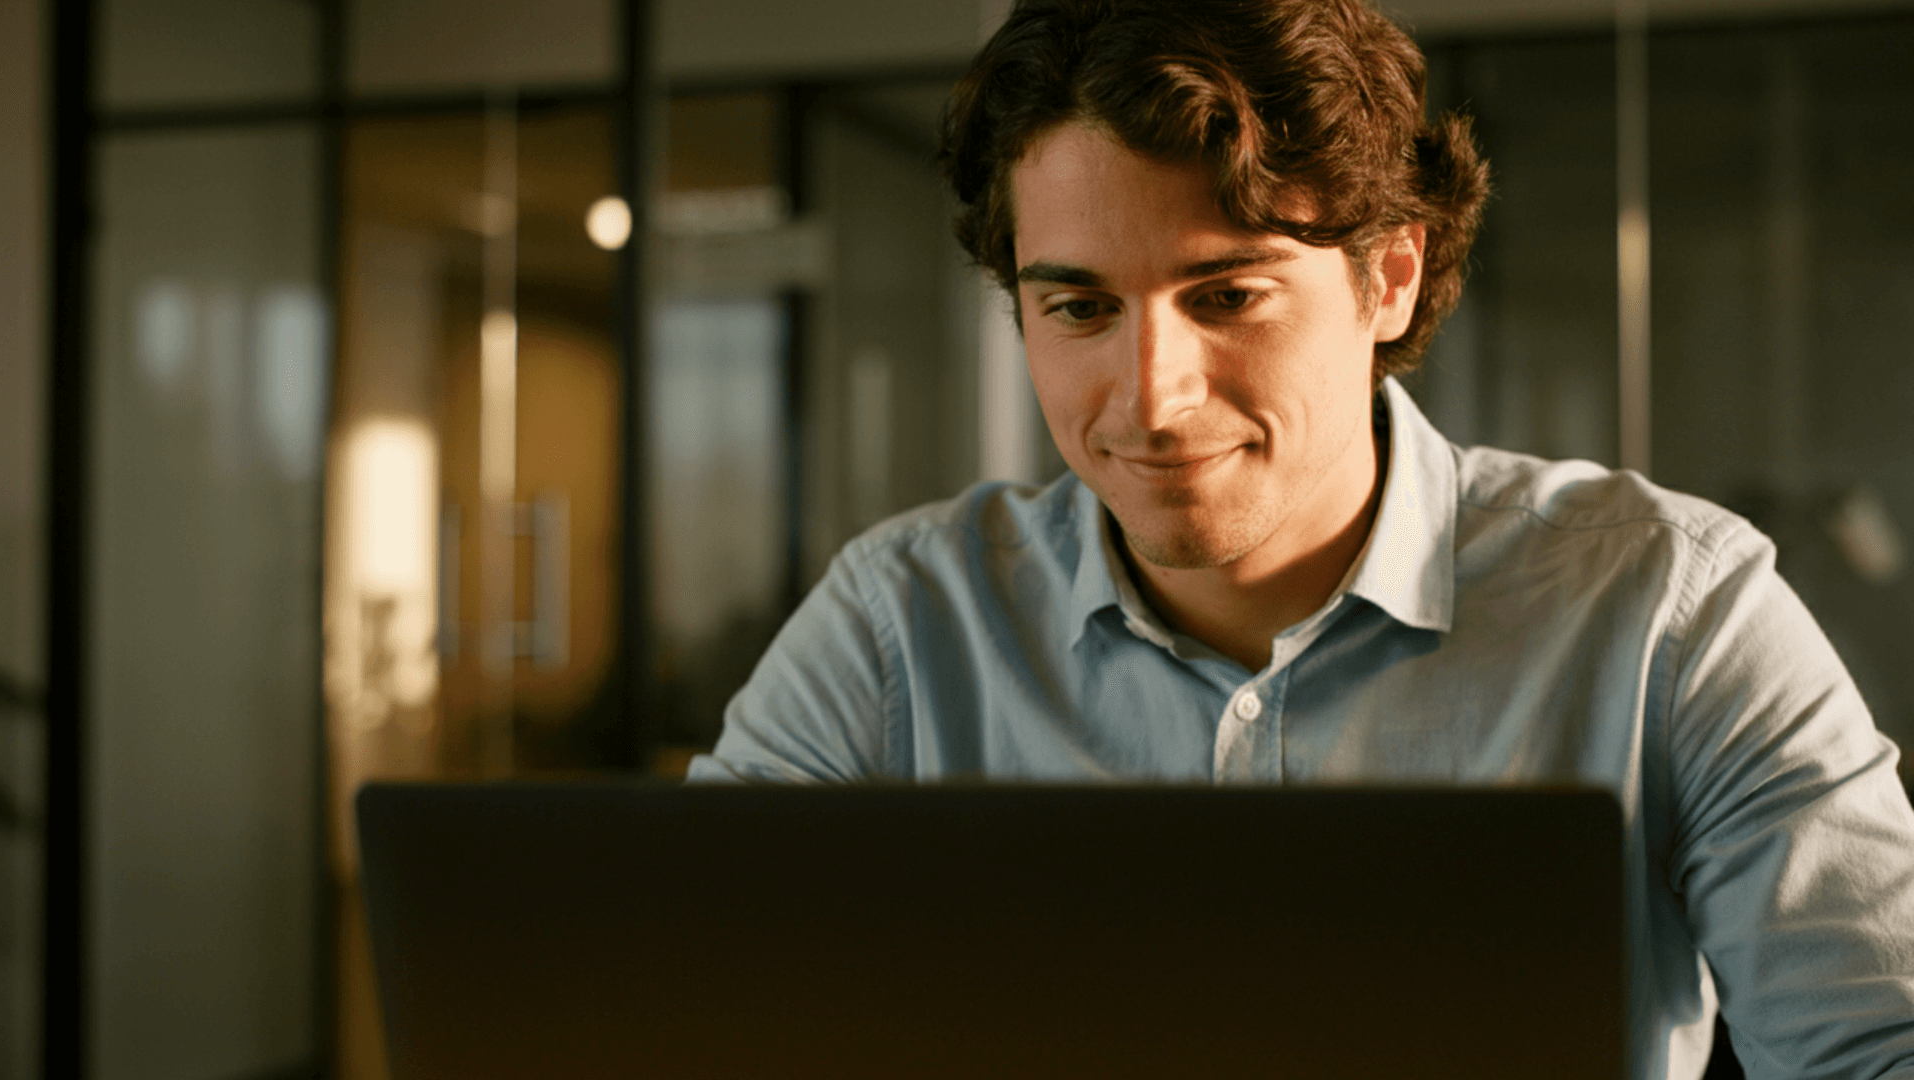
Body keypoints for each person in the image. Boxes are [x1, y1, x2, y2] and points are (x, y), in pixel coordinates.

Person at [687, 1, 1914, 1076]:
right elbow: (676, 1012)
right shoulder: (899, 624)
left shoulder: (1669, 611)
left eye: (1227, 295)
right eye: (1077, 306)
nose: (1151, 396)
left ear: (1387, 278)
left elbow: (1879, 1045)